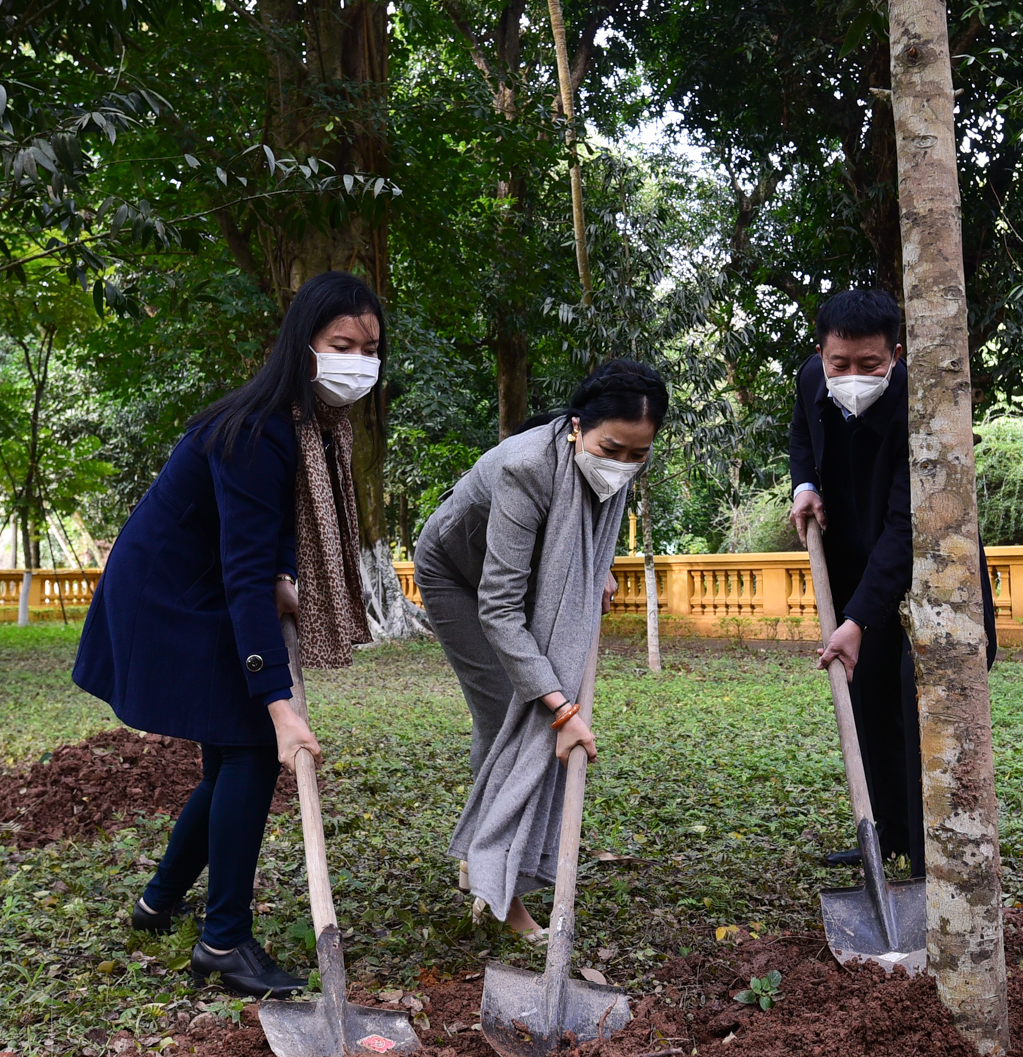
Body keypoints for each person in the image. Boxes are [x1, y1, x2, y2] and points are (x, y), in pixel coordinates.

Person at [75, 271, 383, 999]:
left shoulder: (306, 428)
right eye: (343, 344)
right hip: (171, 595)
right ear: (302, 344)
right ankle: (223, 940)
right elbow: (242, 574)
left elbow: (267, 536)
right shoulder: (259, 431)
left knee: (228, 758)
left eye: (370, 349)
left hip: (205, 583)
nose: (359, 362)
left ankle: (157, 902)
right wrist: (280, 705)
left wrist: (285, 577)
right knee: (249, 745)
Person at [417, 360, 667, 938]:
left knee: (523, 710)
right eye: (613, 448)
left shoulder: (610, 464)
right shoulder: (526, 469)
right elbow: (499, 608)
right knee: (512, 710)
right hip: (458, 577)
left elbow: (588, 532)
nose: (623, 465)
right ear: (578, 426)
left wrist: (598, 569)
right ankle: (498, 884)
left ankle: (486, 865)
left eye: (638, 455)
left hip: (518, 579)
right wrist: (562, 710)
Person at [788, 288, 996, 878]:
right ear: (823, 354)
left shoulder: (926, 405)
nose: (852, 375)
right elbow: (802, 437)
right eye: (840, 364)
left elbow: (908, 525)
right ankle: (883, 835)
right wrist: (804, 486)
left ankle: (933, 854)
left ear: (897, 354)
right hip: (854, 564)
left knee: (919, 689)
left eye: (870, 365)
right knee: (867, 692)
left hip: (935, 572)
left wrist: (857, 621)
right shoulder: (812, 378)